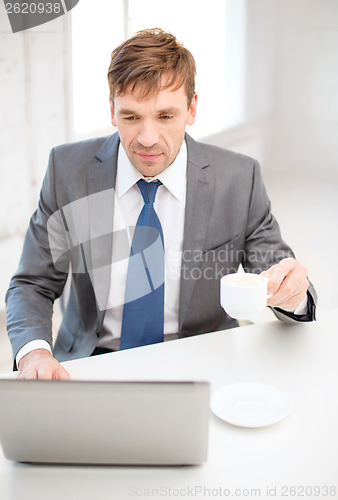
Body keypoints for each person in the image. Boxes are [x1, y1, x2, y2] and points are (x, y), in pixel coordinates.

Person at [5, 28, 316, 380]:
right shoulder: (68, 172)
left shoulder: (239, 178)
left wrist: (292, 294)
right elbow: (32, 283)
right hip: (92, 362)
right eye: (131, 117)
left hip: (203, 361)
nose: (148, 139)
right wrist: (33, 355)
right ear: (112, 111)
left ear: (192, 109)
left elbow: (280, 275)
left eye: (166, 116)